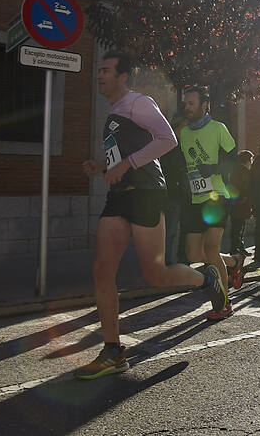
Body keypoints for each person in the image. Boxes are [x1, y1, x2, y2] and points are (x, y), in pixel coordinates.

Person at [78, 53, 227, 380]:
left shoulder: (138, 103)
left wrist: (124, 165)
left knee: (156, 275)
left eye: (105, 71)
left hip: (146, 194)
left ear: (122, 76)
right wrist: (103, 166)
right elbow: (126, 154)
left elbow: (167, 139)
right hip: (118, 197)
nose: (99, 75)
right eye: (98, 70)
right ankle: (113, 350)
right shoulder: (115, 112)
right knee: (103, 269)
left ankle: (207, 279)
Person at [178, 86, 243, 304]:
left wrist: (213, 168)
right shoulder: (185, 133)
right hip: (195, 198)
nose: (186, 107)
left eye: (191, 103)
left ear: (204, 106)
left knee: (211, 248)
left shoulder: (218, 128)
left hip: (216, 196)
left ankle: (223, 302)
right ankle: (234, 262)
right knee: (194, 254)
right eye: (185, 103)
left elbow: (234, 161)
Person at [160, 113, 188, 265]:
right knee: (169, 231)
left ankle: (181, 260)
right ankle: (166, 263)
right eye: (185, 127)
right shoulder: (171, 145)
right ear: (177, 128)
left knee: (183, 229)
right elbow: (169, 168)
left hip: (183, 193)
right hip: (172, 194)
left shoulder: (183, 145)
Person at [229, 150, 254, 259]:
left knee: (237, 227)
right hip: (241, 204)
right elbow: (246, 188)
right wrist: (244, 199)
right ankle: (236, 249)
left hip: (235, 203)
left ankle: (238, 247)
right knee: (238, 227)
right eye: (251, 160)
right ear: (247, 160)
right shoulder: (245, 172)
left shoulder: (235, 171)